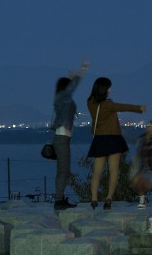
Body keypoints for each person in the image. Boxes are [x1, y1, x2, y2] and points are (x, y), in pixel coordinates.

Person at [86, 76, 146, 209]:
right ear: (105, 89)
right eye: (109, 87)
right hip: (113, 139)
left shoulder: (90, 102)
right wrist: (140, 108)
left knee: (97, 171)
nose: (110, 90)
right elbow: (123, 107)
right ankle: (108, 199)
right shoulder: (108, 105)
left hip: (100, 139)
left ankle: (94, 198)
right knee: (114, 171)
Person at [49, 60, 89, 209]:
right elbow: (72, 88)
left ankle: (60, 198)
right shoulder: (62, 97)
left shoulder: (61, 98)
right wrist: (82, 71)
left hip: (63, 137)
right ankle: (59, 200)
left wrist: (72, 79)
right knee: (63, 170)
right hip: (61, 137)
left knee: (64, 170)